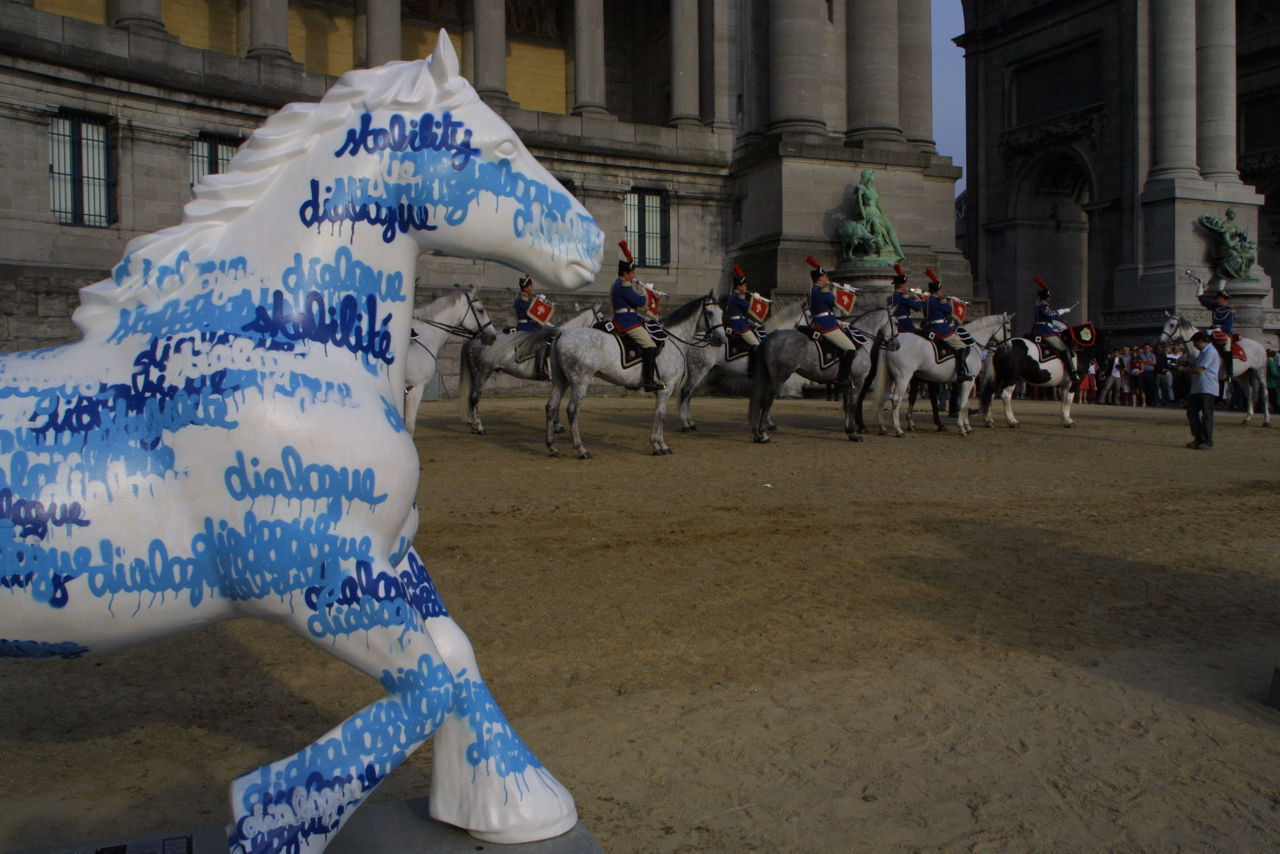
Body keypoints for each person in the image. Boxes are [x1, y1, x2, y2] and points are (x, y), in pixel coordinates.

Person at [612, 240, 665, 392]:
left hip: (630, 318)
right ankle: (648, 381)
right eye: (632, 273)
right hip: (627, 321)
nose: (634, 275)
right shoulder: (624, 285)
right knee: (650, 346)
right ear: (625, 274)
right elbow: (640, 301)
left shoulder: (619, 284)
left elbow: (631, 303)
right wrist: (644, 290)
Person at [806, 256, 859, 388]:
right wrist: (846, 292)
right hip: (826, 325)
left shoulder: (814, 291)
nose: (827, 279)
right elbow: (836, 302)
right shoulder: (821, 292)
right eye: (825, 277)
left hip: (826, 320)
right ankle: (843, 378)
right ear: (820, 279)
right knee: (850, 348)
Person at [922, 269, 971, 382]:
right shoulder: (938, 301)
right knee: (962, 347)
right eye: (940, 290)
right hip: (940, 329)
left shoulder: (927, 301)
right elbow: (949, 310)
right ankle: (961, 372)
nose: (941, 292)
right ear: (937, 291)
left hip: (929, 327)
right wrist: (944, 302)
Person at [1031, 278, 1080, 389]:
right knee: (1065, 349)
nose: (1050, 299)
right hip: (1045, 331)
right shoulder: (1042, 306)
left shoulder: (1040, 306)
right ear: (1046, 298)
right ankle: (1072, 374)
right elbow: (1052, 314)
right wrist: (1063, 310)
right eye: (1049, 297)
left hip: (1044, 329)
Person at [1180, 330, 1219, 449]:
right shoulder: (1203, 352)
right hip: (1198, 387)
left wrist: (1183, 370)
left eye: (1195, 343)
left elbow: (1200, 370)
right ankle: (1199, 438)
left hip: (1207, 387)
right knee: (1191, 412)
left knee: (1206, 415)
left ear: (1200, 341)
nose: (1194, 346)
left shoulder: (1211, 352)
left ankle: (1207, 440)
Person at [725, 264, 764, 377]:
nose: (746, 288)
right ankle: (752, 369)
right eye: (744, 286)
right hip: (739, 326)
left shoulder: (737, 296)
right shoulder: (735, 297)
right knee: (756, 344)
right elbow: (749, 307)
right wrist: (755, 299)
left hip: (742, 322)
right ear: (739, 287)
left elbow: (744, 313)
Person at [1196, 281, 1236, 388]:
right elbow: (1203, 301)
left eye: (1219, 299)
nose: (1218, 300)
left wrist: (1215, 331)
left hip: (1224, 334)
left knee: (1226, 348)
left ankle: (1229, 372)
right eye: (1217, 298)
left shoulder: (1230, 311)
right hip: (1212, 331)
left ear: (1224, 299)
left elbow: (1227, 326)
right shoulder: (1215, 307)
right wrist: (1199, 287)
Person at [888, 263, 922, 333]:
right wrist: (914, 297)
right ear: (902, 285)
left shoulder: (892, 296)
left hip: (895, 323)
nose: (906, 286)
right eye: (905, 284)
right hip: (905, 325)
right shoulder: (903, 297)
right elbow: (918, 307)